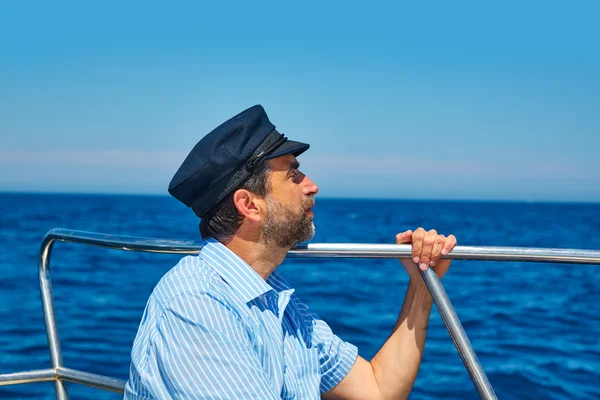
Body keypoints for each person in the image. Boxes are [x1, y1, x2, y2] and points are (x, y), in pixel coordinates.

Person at [123, 105, 457, 399]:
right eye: (293, 174)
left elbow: (376, 388)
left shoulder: (277, 299)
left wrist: (421, 286)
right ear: (249, 205)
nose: (312, 185)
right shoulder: (195, 304)